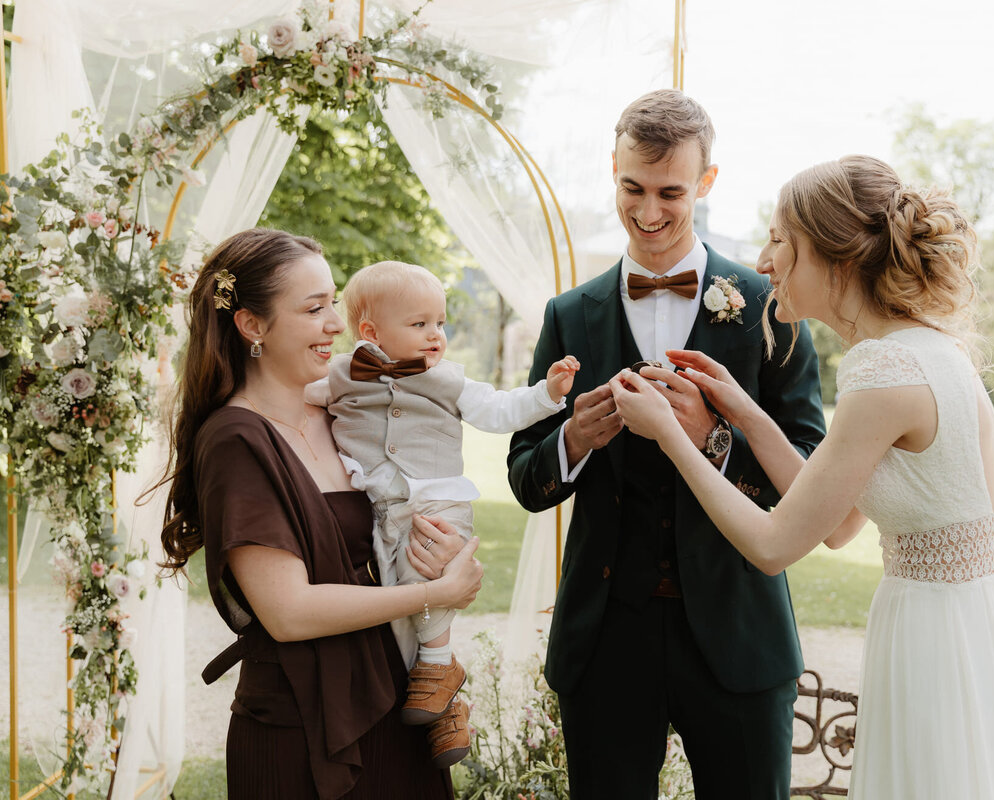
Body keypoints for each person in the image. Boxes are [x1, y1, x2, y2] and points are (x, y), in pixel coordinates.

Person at [610, 155, 994, 799]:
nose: (764, 262)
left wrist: (670, 434)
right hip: (970, 628)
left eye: (780, 240)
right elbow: (842, 523)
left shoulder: (883, 376)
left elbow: (773, 545)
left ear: (838, 260)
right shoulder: (923, 350)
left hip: (939, 644)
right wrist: (746, 414)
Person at [507, 89, 827, 799]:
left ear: (706, 182)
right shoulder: (569, 315)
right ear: (612, 170)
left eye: (671, 192)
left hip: (738, 635)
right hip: (605, 640)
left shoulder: (770, 307)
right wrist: (573, 441)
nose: (649, 211)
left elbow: (810, 477)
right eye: (633, 188)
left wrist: (713, 438)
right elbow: (526, 477)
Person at [157, 229, 484, 799]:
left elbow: (393, 531)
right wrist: (435, 594)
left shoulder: (343, 417)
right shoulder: (236, 439)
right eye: (314, 309)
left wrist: (441, 554)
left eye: (333, 303)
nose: (336, 323)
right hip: (303, 726)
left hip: (394, 701)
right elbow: (288, 612)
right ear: (252, 326)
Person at [304, 260, 579, 758]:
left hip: (437, 501)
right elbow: (304, 397)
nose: (436, 335)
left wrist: (547, 393)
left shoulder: (449, 379)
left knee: (424, 571)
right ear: (370, 332)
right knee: (395, 597)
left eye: (440, 323)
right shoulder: (342, 373)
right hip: (379, 503)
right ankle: (446, 700)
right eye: (420, 323)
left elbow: (498, 410)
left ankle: (436, 663)